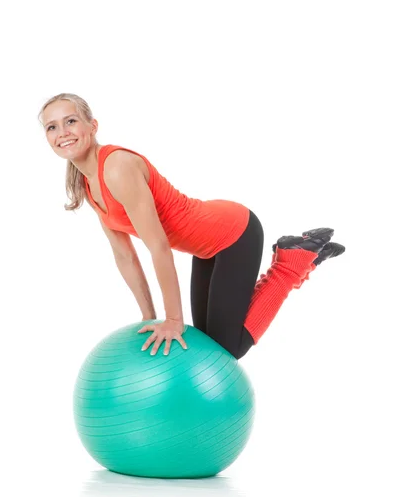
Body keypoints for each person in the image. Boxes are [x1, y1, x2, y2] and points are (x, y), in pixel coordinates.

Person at [39, 93, 345, 360]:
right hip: (206, 247)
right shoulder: (87, 182)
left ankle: (291, 263)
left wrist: (173, 319)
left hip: (233, 233)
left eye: (71, 121)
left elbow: (157, 246)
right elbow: (125, 256)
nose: (62, 132)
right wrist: (149, 317)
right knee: (209, 343)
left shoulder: (117, 168)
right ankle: (299, 254)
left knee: (228, 348)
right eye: (51, 127)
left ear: (92, 126)